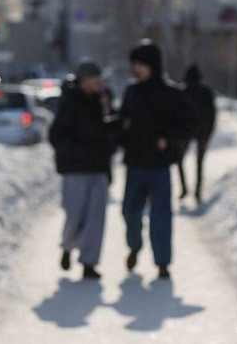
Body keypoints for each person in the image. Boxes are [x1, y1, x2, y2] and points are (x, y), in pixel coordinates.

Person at [120, 39, 194, 279]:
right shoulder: (132, 91)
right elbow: (122, 120)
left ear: (153, 65)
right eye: (134, 64)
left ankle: (162, 262)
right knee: (130, 211)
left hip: (159, 166)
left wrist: (168, 139)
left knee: (161, 215)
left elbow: (188, 124)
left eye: (140, 64)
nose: (136, 69)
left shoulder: (171, 93)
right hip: (134, 164)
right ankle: (134, 246)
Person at [49, 61, 115, 279]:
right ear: (84, 79)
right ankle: (67, 247)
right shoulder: (68, 103)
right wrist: (78, 151)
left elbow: (101, 134)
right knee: (75, 215)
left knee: (96, 219)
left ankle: (89, 262)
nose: (99, 82)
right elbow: (56, 136)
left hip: (97, 169)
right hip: (75, 170)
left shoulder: (98, 102)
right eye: (95, 77)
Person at [176, 64, 216, 204]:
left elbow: (177, 114)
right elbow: (212, 114)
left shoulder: (183, 90)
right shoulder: (206, 91)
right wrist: (209, 132)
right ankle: (197, 190)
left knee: (179, 159)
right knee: (199, 162)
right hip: (202, 131)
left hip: (186, 131)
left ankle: (184, 188)